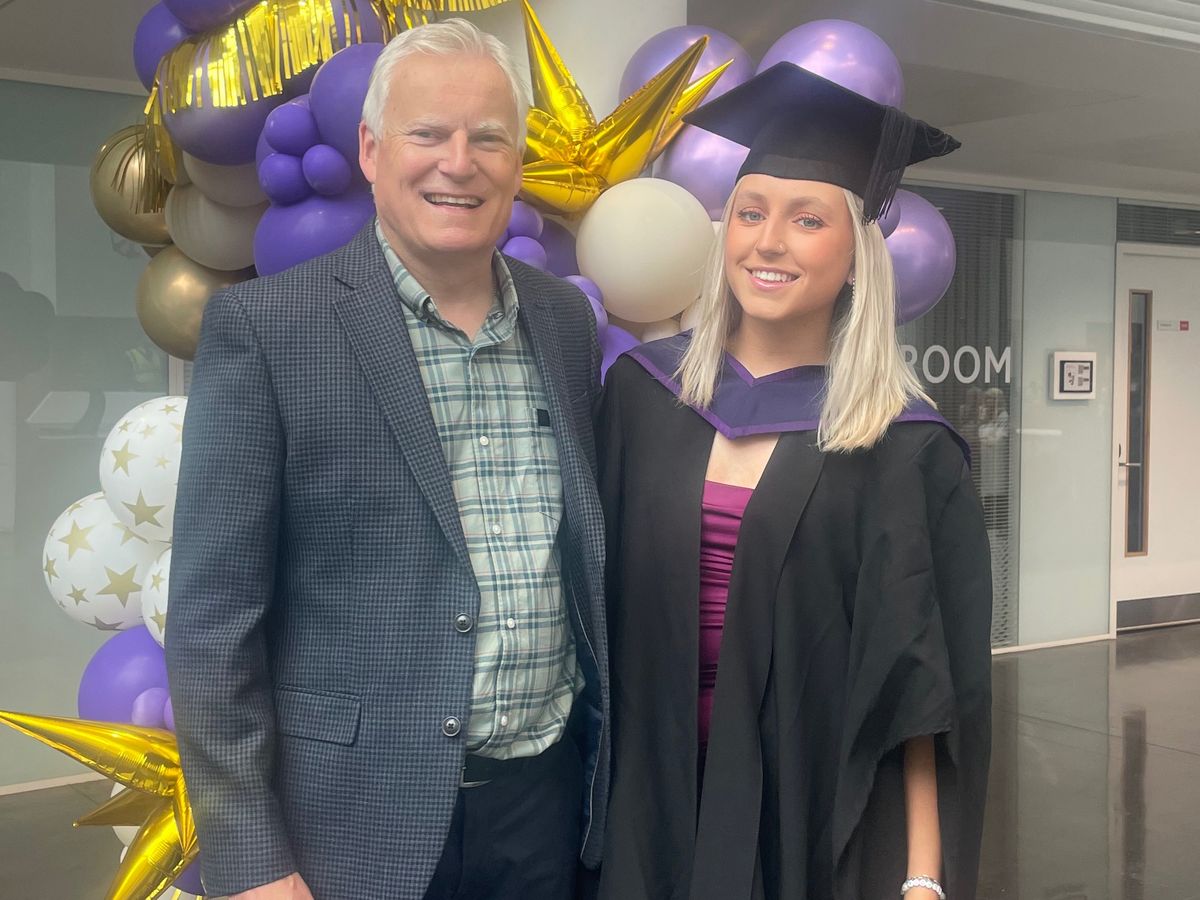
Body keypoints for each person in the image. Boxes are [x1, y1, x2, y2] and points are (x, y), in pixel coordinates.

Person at [166, 20, 608, 900]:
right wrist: (253, 860)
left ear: (517, 161)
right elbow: (213, 625)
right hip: (352, 828)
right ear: (371, 150)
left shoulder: (563, 321)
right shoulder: (269, 330)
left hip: (548, 808)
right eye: (428, 133)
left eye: (489, 138)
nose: (460, 163)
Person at [596, 62, 992, 900]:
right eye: (750, 212)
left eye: (807, 219)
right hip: (646, 806)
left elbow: (921, 686)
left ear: (855, 257)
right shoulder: (641, 396)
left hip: (806, 815)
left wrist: (922, 876)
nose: (768, 242)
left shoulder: (904, 448)